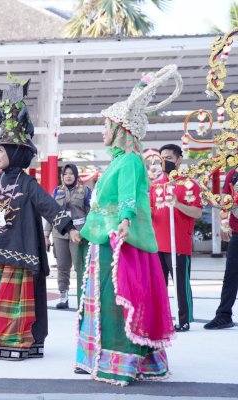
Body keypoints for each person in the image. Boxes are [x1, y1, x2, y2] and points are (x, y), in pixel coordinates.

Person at [0, 78, 81, 361]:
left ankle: (14, 343)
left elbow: (50, 207)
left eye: (1, 151)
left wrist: (69, 228)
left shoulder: (28, 185)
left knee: (14, 303)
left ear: (14, 153)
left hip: (19, 250)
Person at [75, 65, 181, 385]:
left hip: (119, 242)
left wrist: (124, 221)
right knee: (106, 297)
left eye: (106, 124)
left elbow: (128, 199)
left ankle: (119, 361)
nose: (102, 130)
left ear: (120, 128)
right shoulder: (118, 161)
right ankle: (97, 356)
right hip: (104, 238)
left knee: (116, 299)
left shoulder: (131, 161)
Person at [150, 143, 202, 332]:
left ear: (179, 159)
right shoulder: (156, 185)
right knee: (158, 285)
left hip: (178, 243)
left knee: (181, 284)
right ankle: (161, 319)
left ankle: (184, 319)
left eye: (169, 158)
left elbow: (196, 212)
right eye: (162, 158)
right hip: (157, 244)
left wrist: (177, 204)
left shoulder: (189, 184)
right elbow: (149, 211)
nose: (165, 162)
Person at [44, 163, 91, 309]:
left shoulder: (85, 191)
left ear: (76, 175)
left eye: (71, 173)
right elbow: (51, 214)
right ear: (62, 176)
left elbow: (90, 213)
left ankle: (83, 297)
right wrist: (46, 234)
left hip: (79, 233)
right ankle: (63, 296)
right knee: (62, 266)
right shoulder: (57, 191)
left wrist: (89, 233)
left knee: (80, 266)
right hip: (60, 233)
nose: (68, 176)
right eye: (65, 174)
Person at [204, 166, 238, 330]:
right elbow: (226, 200)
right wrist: (224, 225)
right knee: (231, 275)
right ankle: (223, 315)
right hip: (237, 231)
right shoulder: (234, 173)